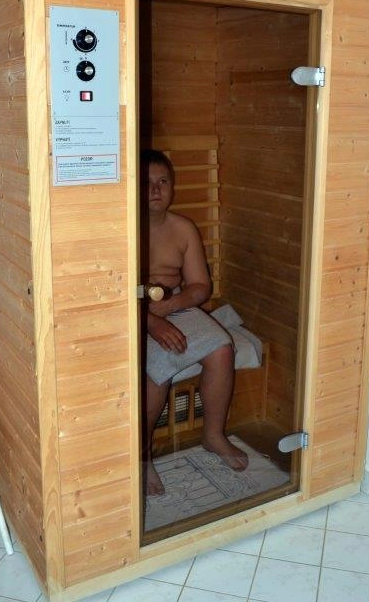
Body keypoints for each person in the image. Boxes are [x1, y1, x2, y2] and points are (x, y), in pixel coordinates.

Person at [142, 149, 248, 496]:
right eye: (146, 183)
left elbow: (201, 287)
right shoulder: (123, 229)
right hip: (131, 314)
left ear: (172, 187)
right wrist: (151, 322)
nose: (155, 190)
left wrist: (171, 306)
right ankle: (142, 456)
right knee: (157, 367)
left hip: (173, 304)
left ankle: (212, 435)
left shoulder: (182, 229)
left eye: (163, 182)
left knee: (222, 349)